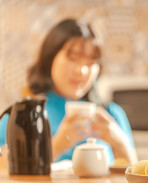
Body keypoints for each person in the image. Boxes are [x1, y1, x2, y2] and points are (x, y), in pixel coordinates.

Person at [0, 18, 137, 166]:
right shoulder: (22, 115)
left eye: (91, 62)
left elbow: (135, 178)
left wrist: (119, 142)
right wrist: (57, 145)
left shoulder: (112, 114)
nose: (82, 71)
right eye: (73, 58)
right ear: (50, 58)